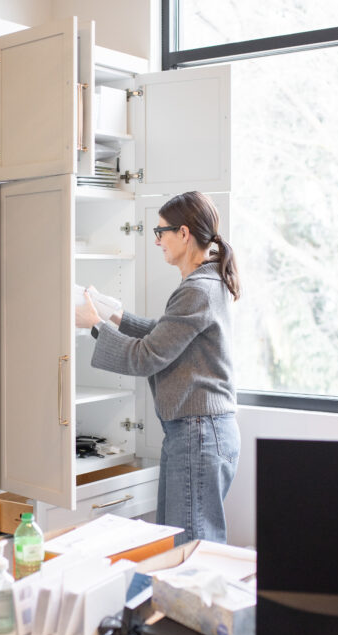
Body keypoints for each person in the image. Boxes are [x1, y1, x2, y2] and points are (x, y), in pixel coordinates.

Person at [75, 190, 240, 543]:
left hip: (198, 433)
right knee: (180, 541)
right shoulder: (207, 283)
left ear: (184, 234)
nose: (155, 240)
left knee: (190, 548)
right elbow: (167, 337)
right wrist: (112, 314)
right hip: (198, 431)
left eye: (161, 231)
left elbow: (148, 355)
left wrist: (94, 324)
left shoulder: (198, 289)